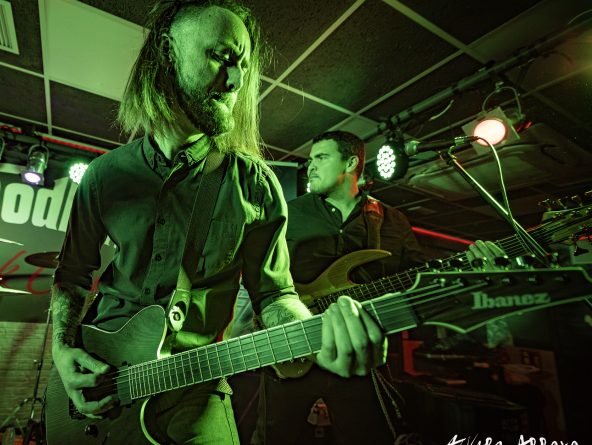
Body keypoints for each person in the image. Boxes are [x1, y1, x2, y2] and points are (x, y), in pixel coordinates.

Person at [48, 2, 386, 444]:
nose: (236, 81)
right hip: (103, 374)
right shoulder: (104, 175)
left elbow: (275, 294)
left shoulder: (255, 184)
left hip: (195, 385)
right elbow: (72, 274)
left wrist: (315, 337)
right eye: (221, 57)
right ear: (166, 53)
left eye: (243, 66)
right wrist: (62, 350)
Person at [253, 130, 505, 444]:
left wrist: (472, 271)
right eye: (310, 159)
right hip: (294, 350)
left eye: (321, 157)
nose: (311, 166)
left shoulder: (392, 221)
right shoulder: (289, 213)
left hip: (362, 356)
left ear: (350, 163)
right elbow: (264, 280)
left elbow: (418, 280)